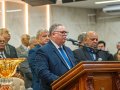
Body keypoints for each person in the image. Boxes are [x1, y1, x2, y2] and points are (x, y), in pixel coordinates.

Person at [31, 24, 77, 90]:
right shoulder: (43, 50)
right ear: (53, 34)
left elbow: (74, 68)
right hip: (54, 87)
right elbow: (42, 72)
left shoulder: (68, 50)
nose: (65, 35)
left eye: (65, 32)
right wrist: (63, 81)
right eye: (62, 32)